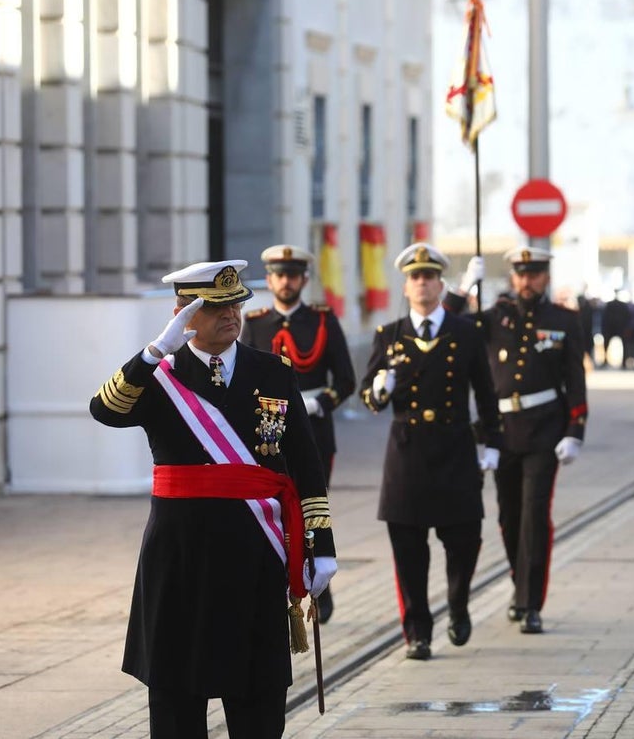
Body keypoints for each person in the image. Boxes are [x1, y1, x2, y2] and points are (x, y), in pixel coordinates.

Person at [89, 260, 336, 739]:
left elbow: (304, 467)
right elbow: (104, 410)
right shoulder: (158, 375)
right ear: (183, 313)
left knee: (258, 703)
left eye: (236, 304)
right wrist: (157, 349)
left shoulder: (274, 372)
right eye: (216, 306)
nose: (231, 314)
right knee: (178, 703)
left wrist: (320, 545)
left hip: (256, 557)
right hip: (180, 560)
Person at [359, 243, 502, 661]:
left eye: (429, 276)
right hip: (407, 455)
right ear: (405, 287)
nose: (422, 283)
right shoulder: (390, 335)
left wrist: (492, 442)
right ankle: (418, 631)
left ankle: (458, 605)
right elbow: (369, 398)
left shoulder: (465, 332)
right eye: (415, 277)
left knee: (463, 540)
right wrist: (378, 389)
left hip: (455, 449)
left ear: (441, 284)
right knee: (408, 549)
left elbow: (487, 393)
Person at [445, 245, 588, 634]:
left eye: (535, 273)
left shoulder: (564, 319)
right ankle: (519, 582)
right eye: (521, 274)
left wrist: (576, 429)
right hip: (501, 431)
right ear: (512, 278)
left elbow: (575, 378)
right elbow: (443, 326)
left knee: (535, 516)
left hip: (545, 428)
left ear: (545, 276)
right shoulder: (493, 319)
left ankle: (530, 603)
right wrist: (462, 289)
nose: (528, 280)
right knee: (510, 516)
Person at [240, 244, 356, 623]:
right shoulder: (255, 322)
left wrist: (323, 401)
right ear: (269, 279)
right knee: (274, 513)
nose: (285, 281)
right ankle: (281, 583)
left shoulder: (322, 320)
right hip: (269, 435)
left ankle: (321, 582)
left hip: (315, 431)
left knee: (311, 509)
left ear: (304, 279)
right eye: (278, 274)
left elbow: (345, 379)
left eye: (292, 274)